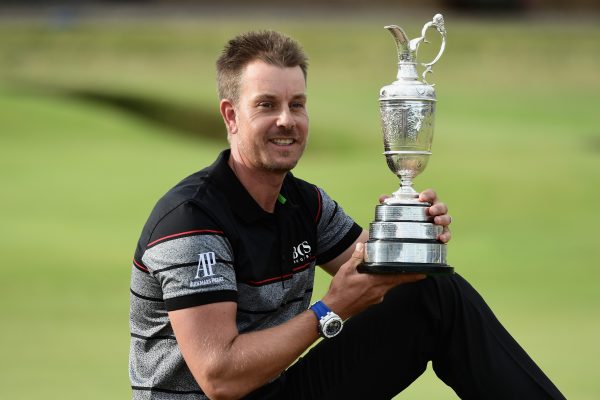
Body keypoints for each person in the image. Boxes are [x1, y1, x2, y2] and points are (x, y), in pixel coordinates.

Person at [129, 30, 565, 400]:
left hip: (276, 391)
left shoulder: (305, 204)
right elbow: (219, 377)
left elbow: (381, 276)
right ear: (231, 116)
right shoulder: (193, 221)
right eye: (266, 105)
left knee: (434, 295)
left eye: (297, 104)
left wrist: (413, 234)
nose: (287, 120)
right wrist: (329, 310)